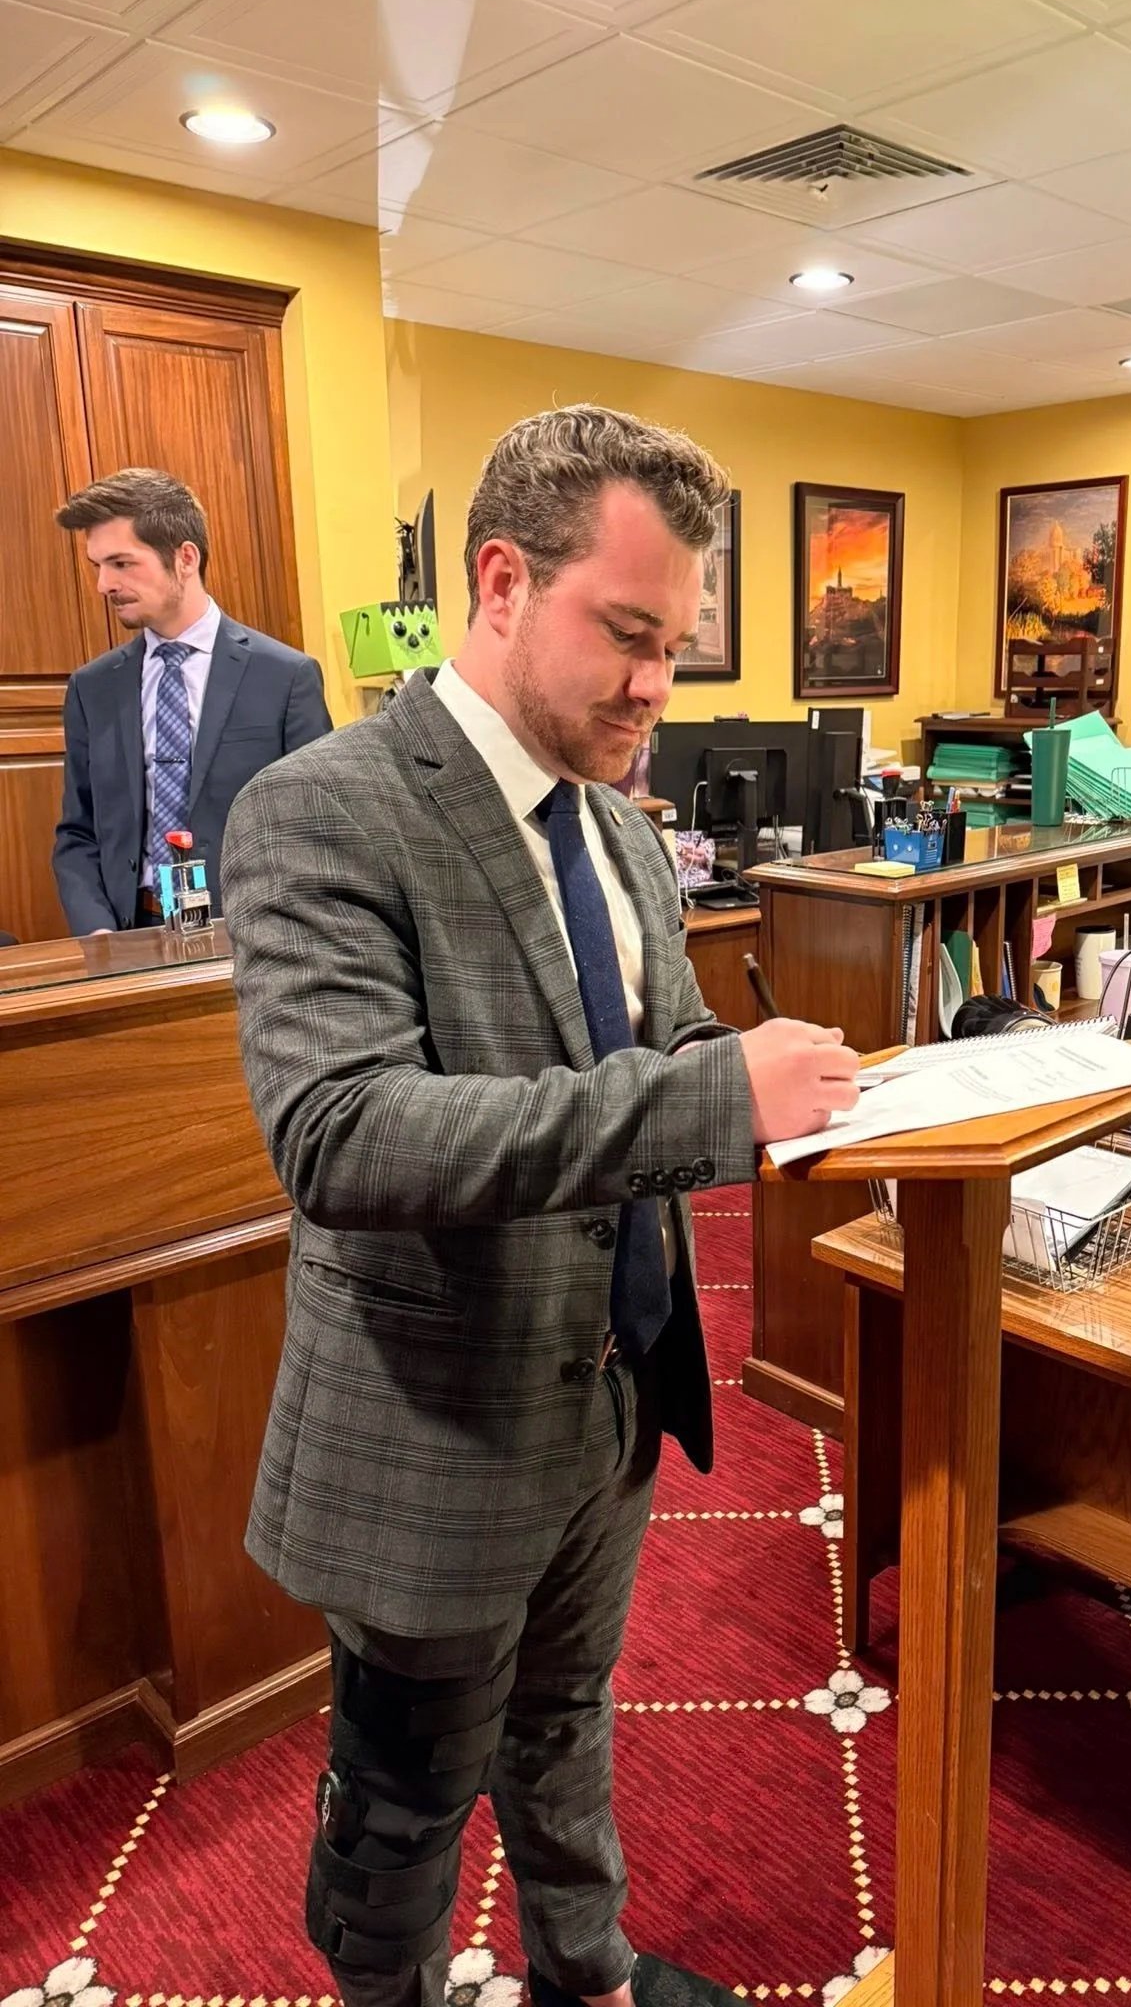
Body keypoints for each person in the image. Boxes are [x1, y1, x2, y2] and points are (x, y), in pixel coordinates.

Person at [220, 405, 861, 2007]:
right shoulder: (323, 808)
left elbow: (661, 1050)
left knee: (568, 1722)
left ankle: (590, 1970)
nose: (660, 685)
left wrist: (819, 1090)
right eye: (630, 634)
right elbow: (345, 1133)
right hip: (435, 1431)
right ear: (501, 582)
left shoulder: (624, 823)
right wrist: (718, 1098)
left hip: (615, 1392)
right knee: (405, 1804)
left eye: (678, 643)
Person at [52, 468, 332, 934]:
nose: (103, 584)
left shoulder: (286, 677)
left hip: (252, 936)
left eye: (121, 564)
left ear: (185, 557)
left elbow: (317, 825)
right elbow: (77, 832)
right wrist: (98, 935)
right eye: (97, 565)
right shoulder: (91, 689)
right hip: (130, 934)